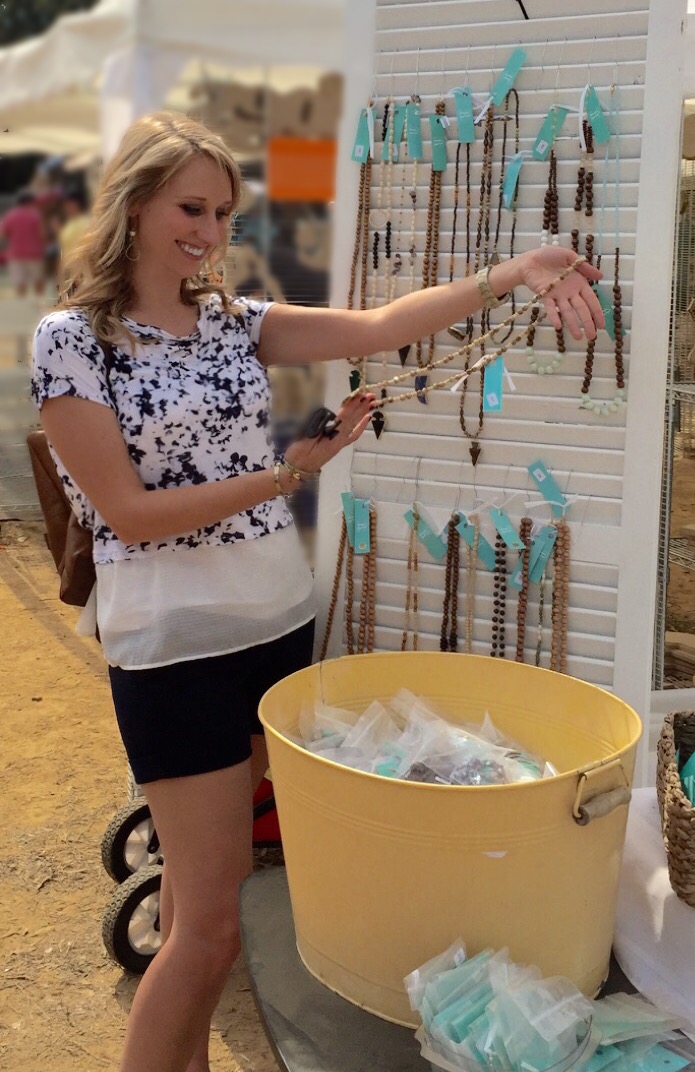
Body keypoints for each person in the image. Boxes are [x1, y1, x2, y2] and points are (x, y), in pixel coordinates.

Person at [31, 111, 603, 1072]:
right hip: (175, 648)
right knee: (209, 929)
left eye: (223, 214)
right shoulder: (74, 340)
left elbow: (380, 326)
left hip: (275, 629)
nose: (209, 232)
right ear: (133, 204)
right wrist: (287, 474)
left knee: (201, 909)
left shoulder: (232, 322)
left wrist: (514, 272)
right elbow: (128, 515)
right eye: (190, 208)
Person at [0, 190, 46, 296]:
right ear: (30, 202)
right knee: (38, 280)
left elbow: (2, 234)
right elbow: (42, 235)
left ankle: (22, 301)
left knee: (20, 283)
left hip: (15, 254)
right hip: (34, 254)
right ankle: (39, 301)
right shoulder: (35, 215)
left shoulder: (10, 215)